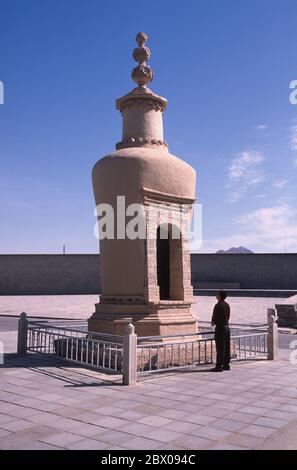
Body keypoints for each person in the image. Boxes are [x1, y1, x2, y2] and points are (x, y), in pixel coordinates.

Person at [210, 291, 231, 372]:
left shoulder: (218, 305)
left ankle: (219, 366)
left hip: (220, 328)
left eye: (217, 295)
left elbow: (215, 316)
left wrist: (213, 322)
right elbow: (228, 316)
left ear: (220, 296)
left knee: (220, 347)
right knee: (226, 347)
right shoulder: (227, 305)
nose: (216, 295)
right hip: (227, 327)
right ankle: (226, 365)